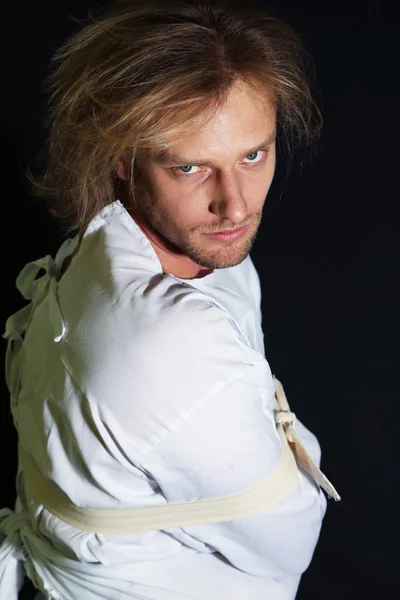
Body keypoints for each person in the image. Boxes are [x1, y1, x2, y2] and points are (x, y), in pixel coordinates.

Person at [0, 1, 340, 598]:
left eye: (252, 155)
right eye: (190, 168)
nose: (234, 206)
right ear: (120, 159)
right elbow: (293, 537)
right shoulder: (168, 344)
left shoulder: (100, 248)